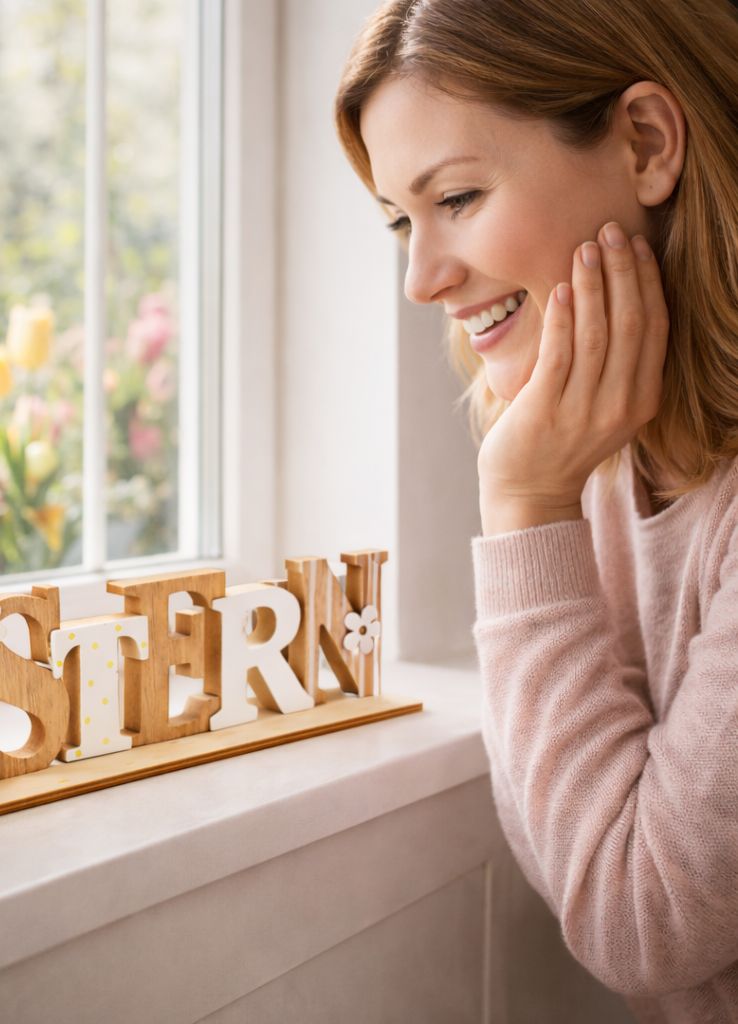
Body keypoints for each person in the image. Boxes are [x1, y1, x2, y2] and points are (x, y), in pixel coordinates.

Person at [335, 1, 738, 1020]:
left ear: (645, 144)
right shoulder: (595, 460)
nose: (420, 278)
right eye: (397, 219)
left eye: (457, 196)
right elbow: (580, 848)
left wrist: (522, 507)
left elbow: (637, 922)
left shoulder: (557, 481)